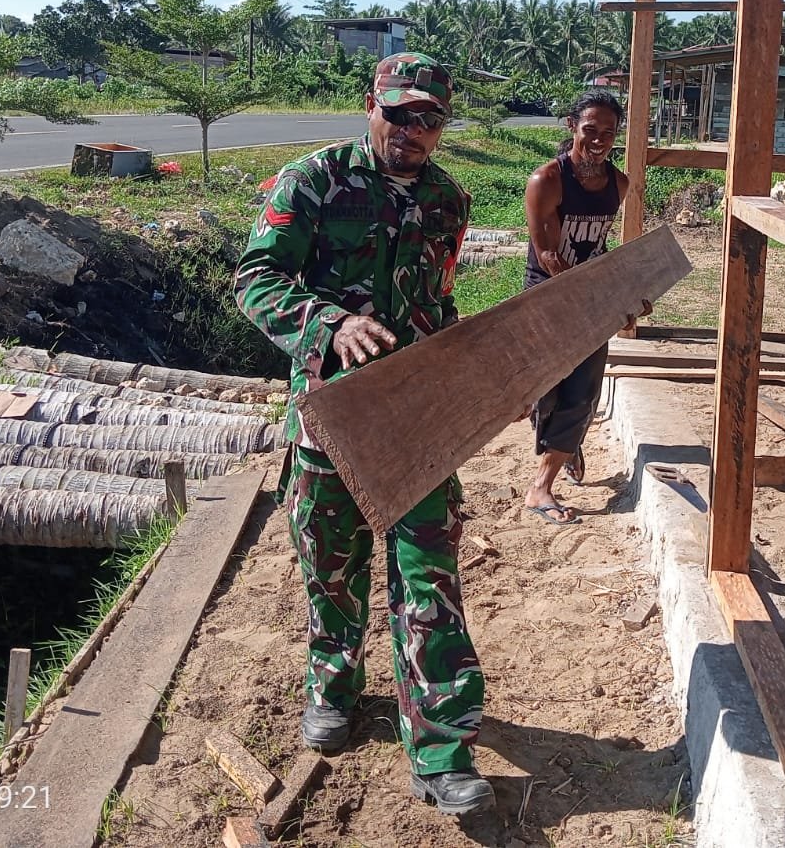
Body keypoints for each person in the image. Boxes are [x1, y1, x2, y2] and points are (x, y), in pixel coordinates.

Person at [235, 52, 493, 817]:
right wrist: (329, 324)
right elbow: (254, 279)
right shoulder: (312, 181)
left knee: (429, 578)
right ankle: (333, 685)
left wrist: (472, 378)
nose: (412, 130)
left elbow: (439, 302)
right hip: (330, 417)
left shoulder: (448, 201)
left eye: (429, 120)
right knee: (331, 568)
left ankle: (442, 751)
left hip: (415, 423)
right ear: (371, 106)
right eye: (399, 113)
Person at [520, 89, 647, 526]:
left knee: (583, 390)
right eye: (590, 130)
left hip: (590, 298)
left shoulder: (619, 185)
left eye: (608, 133)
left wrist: (621, 295)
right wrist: (590, 297)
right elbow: (549, 256)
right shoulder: (547, 181)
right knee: (547, 391)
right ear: (572, 126)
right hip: (548, 295)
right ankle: (566, 443)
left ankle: (541, 487)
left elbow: (600, 247)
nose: (598, 140)